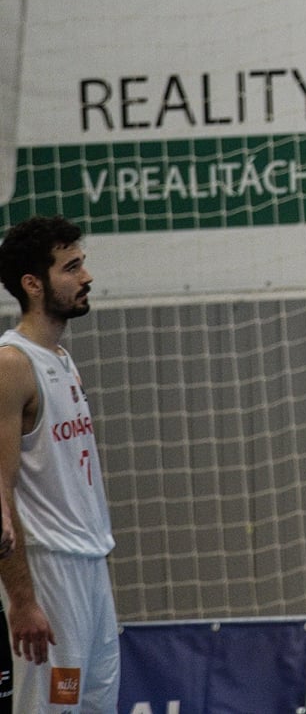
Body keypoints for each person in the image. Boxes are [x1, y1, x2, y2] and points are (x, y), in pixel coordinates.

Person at [0, 217, 118, 714]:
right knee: (54, 708)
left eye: (82, 263)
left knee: (96, 706)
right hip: (50, 572)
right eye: (71, 268)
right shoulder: (12, 364)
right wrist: (23, 600)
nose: (86, 277)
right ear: (33, 284)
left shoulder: (62, 358)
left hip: (91, 566)